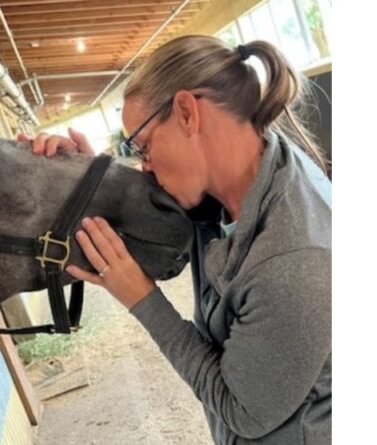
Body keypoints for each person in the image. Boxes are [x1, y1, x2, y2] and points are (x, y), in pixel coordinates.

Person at [18, 35, 331, 444]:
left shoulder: (295, 261)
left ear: (187, 112)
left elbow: (243, 412)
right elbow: (164, 209)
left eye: (144, 147)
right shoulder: (246, 172)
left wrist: (143, 301)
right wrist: (92, 180)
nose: (145, 166)